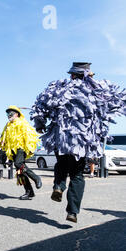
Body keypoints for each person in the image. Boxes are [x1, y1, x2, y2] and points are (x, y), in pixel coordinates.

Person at [31, 62, 126, 223]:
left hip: (61, 137)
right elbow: (114, 100)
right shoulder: (94, 90)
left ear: (72, 75)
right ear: (87, 75)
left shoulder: (59, 88)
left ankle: (59, 187)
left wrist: (40, 124)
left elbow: (41, 104)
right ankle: (72, 212)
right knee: (77, 174)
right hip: (82, 141)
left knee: (61, 164)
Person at [0, 106, 42, 200]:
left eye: (10, 113)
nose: (8, 115)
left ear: (16, 114)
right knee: (19, 172)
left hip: (21, 147)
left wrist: (30, 148)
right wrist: (4, 148)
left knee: (18, 164)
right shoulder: (8, 125)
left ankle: (36, 178)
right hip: (12, 149)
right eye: (7, 114)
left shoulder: (22, 122)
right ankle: (29, 192)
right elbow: (4, 137)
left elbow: (30, 135)